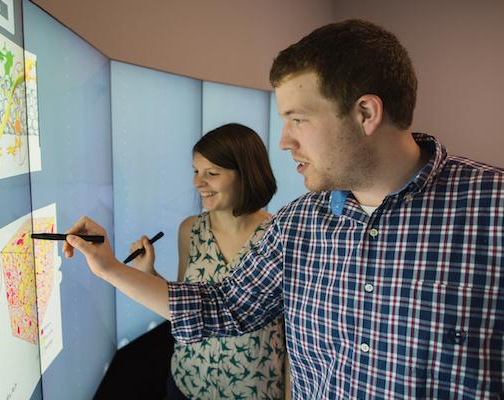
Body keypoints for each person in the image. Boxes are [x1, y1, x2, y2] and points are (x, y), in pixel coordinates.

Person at [63, 19, 504, 398]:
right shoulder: (299, 223)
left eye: (298, 119)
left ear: (366, 113)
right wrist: (106, 267)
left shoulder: (493, 210)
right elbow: (224, 305)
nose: (284, 140)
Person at [127, 123, 288, 399]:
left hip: (253, 390)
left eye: (211, 173)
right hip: (187, 382)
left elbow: (293, 332)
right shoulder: (190, 230)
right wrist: (147, 274)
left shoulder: (278, 236)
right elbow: (184, 305)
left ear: (246, 174)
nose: (197, 183)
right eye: (196, 171)